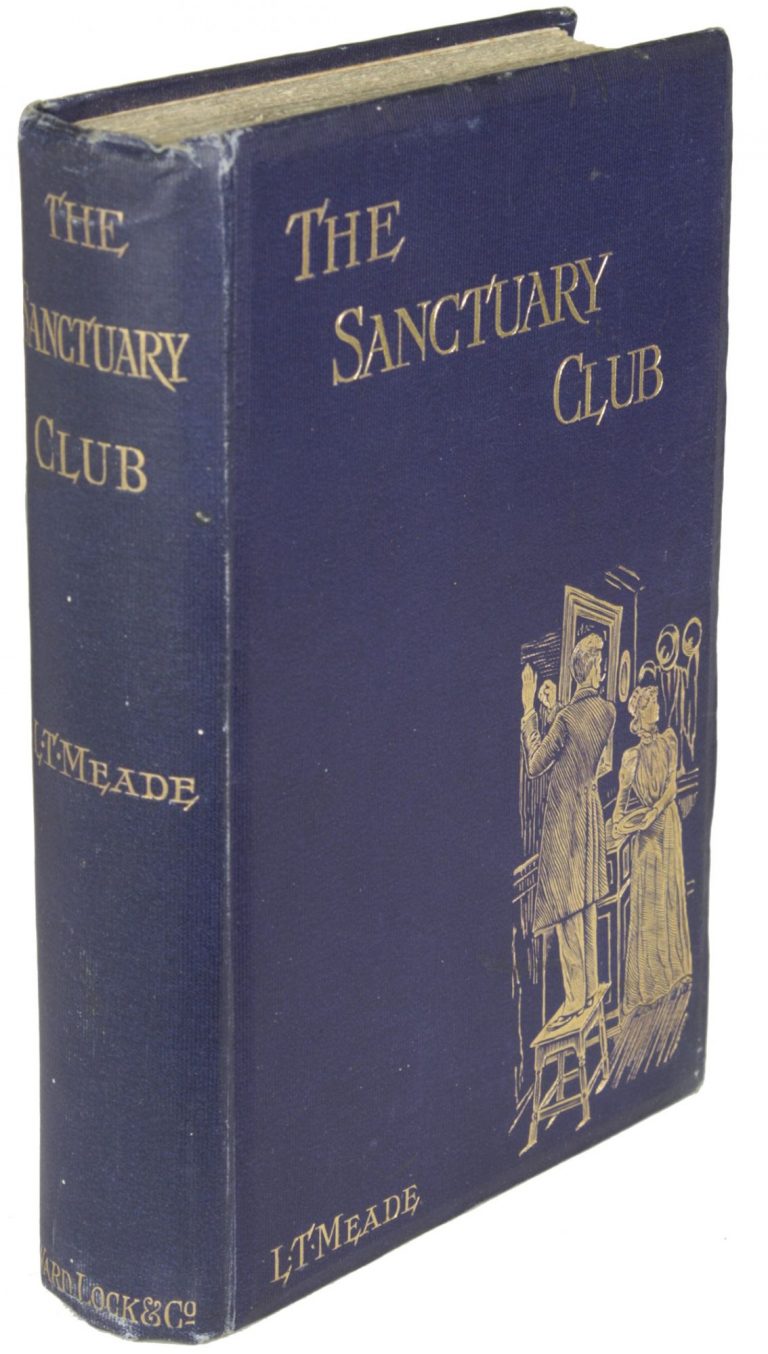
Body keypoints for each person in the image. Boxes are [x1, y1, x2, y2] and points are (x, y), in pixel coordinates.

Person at [521, 633, 616, 1026]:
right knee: (586, 898)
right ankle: (588, 987)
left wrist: (529, 710)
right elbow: (580, 731)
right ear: (592, 669)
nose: (604, 669)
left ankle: (576, 1000)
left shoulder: (566, 719)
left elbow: (535, 764)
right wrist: (556, 707)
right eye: (601, 663)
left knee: (566, 905)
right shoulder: (607, 712)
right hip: (588, 812)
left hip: (564, 815)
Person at [612, 686, 692, 1011]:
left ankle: (675, 972)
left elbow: (672, 787)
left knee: (670, 894)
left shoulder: (670, 740)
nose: (658, 707)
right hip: (646, 835)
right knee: (649, 904)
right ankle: (650, 985)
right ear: (641, 712)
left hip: (667, 824)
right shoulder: (630, 758)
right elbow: (619, 808)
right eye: (653, 703)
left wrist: (655, 811)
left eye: (658, 702)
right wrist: (626, 824)